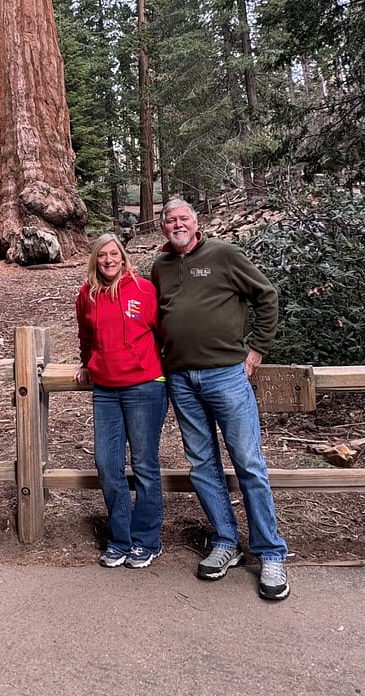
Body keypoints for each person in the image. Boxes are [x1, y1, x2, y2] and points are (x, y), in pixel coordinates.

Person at [151, 198, 290, 601]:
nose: (176, 224)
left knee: (248, 462)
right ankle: (226, 541)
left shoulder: (224, 255)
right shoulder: (160, 267)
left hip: (226, 375)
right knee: (201, 465)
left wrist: (257, 350)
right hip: (181, 379)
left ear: (196, 224)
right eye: (169, 220)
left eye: (183, 218)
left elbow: (266, 295)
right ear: (163, 229)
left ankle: (270, 552)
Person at [75, 232, 168, 569]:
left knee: (144, 464)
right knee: (107, 464)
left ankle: (147, 540)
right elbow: (86, 336)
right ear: (95, 260)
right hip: (105, 390)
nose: (109, 260)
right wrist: (86, 364)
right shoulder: (87, 295)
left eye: (114, 254)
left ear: (123, 257)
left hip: (145, 385)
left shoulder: (143, 290)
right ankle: (120, 539)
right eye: (102, 256)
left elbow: (164, 332)